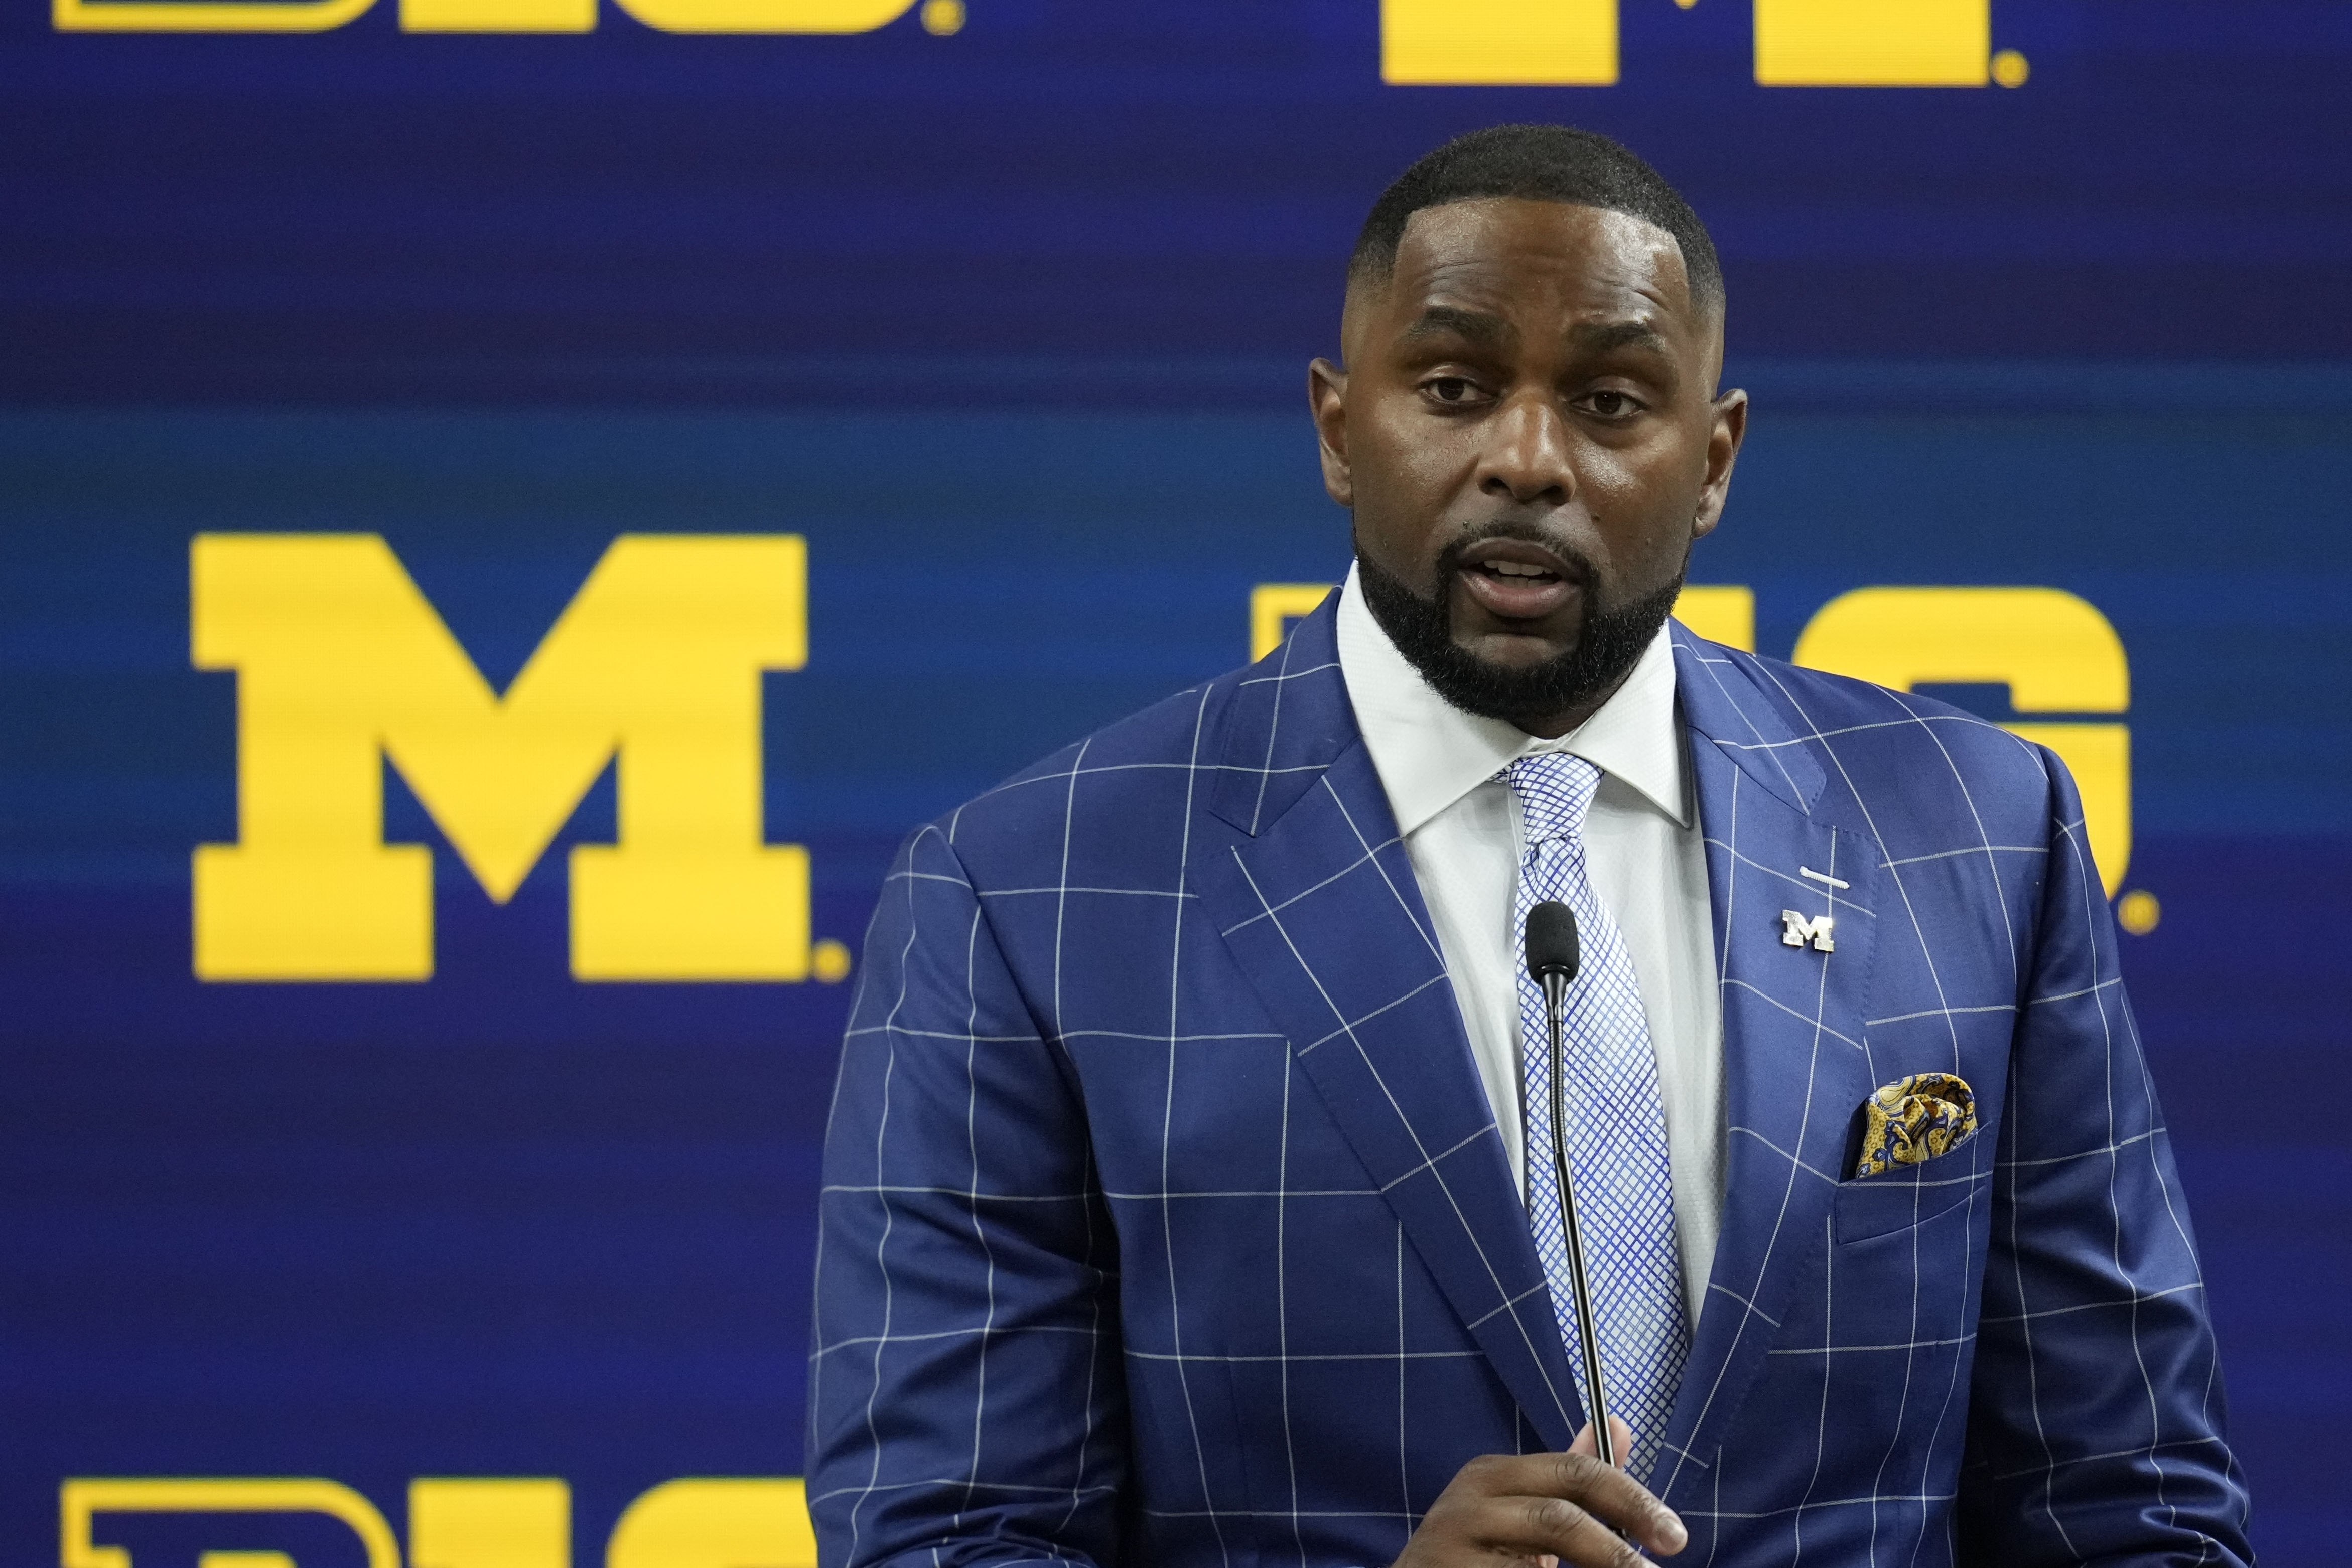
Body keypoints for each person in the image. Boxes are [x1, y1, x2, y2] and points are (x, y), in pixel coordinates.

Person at [806, 124, 2251, 1567]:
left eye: (1611, 402)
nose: (1526, 459)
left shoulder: (1978, 832)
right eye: (1453, 388)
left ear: (1714, 461)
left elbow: (2131, 1504)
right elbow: (943, 1538)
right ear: (1337, 429)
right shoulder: (1029, 898)